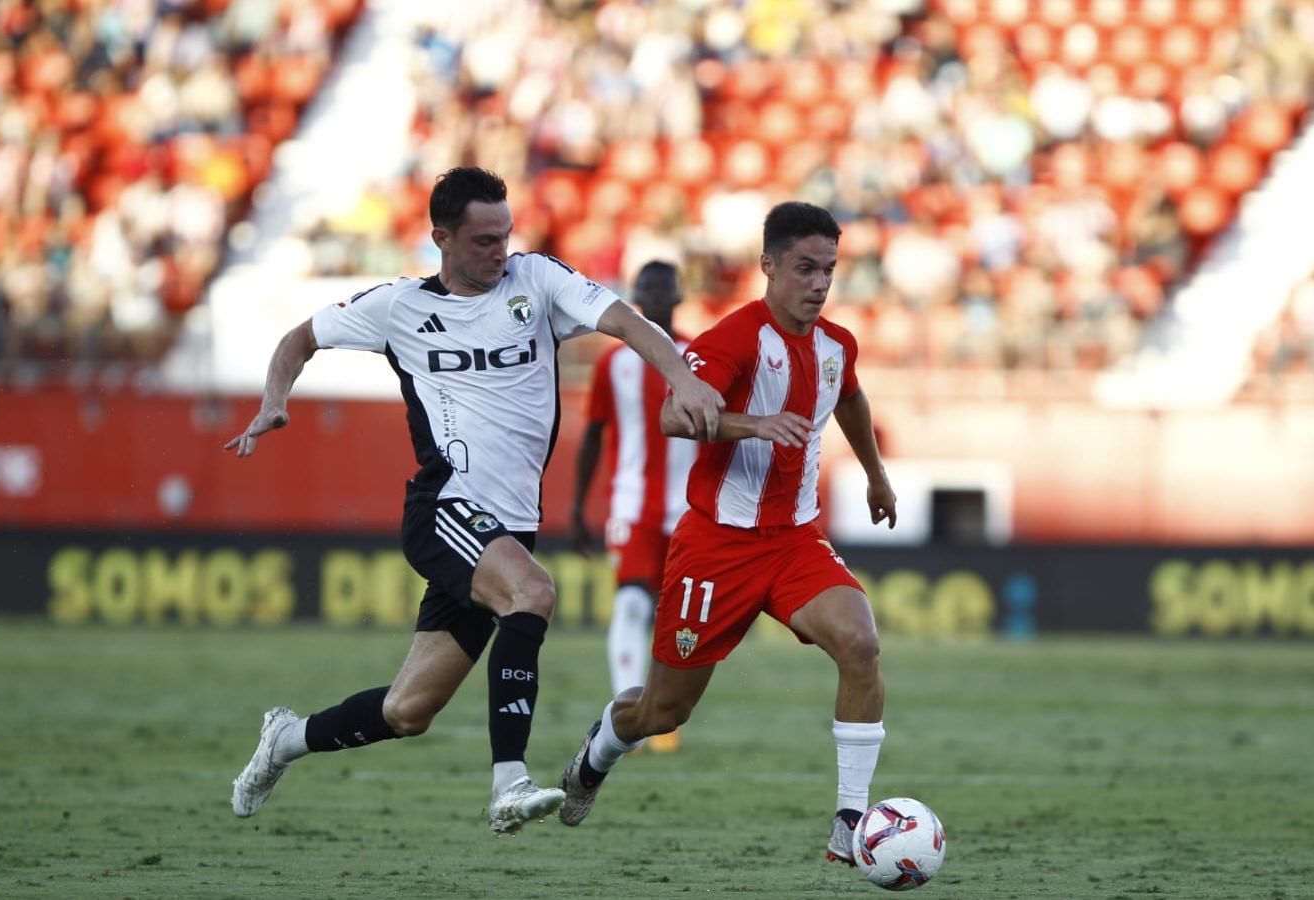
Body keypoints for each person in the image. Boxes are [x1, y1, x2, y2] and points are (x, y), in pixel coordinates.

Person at [223, 167, 721, 834]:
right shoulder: (399, 307)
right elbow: (298, 340)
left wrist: (681, 380)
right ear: (441, 238)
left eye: (506, 236)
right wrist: (274, 402)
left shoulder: (537, 282)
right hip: (445, 507)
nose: (500, 251)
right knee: (535, 593)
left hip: (507, 527)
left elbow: (629, 323)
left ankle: (285, 739)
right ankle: (508, 781)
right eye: (485, 240)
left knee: (408, 711)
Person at [553, 201, 898, 866]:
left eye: (829, 269)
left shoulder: (836, 346)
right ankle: (598, 752)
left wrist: (876, 476)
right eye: (805, 268)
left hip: (795, 540)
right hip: (716, 547)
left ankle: (849, 822)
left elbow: (849, 396)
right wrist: (751, 424)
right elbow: (675, 419)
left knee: (859, 640)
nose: (820, 282)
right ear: (768, 266)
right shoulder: (733, 339)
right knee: (661, 714)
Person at [570, 261, 695, 754]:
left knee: (677, 616)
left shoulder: (698, 357)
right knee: (631, 603)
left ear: (679, 296)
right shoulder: (612, 364)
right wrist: (579, 508)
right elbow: (593, 437)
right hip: (632, 507)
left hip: (689, 512)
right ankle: (631, 711)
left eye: (665, 288)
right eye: (648, 288)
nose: (657, 296)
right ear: (637, 297)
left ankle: (662, 710)